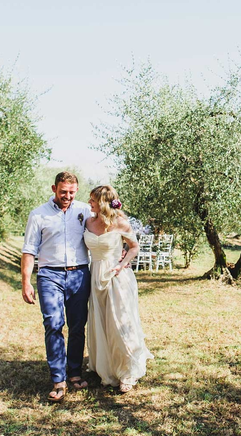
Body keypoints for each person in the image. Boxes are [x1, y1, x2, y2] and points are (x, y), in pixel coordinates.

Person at [21, 171, 91, 402]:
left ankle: (74, 372)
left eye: (71, 192)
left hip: (80, 274)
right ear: (54, 189)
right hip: (49, 275)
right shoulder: (38, 215)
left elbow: (106, 226)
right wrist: (26, 282)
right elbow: (29, 250)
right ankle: (58, 379)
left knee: (78, 325)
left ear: (76, 191)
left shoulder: (84, 210)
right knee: (53, 323)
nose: (67, 196)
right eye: (63, 192)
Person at [84, 185, 154, 393]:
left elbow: (134, 247)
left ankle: (128, 371)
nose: (89, 203)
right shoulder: (88, 222)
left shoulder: (120, 223)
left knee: (120, 322)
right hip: (95, 275)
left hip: (116, 277)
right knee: (101, 321)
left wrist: (122, 264)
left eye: (93, 200)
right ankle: (105, 365)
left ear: (103, 202)